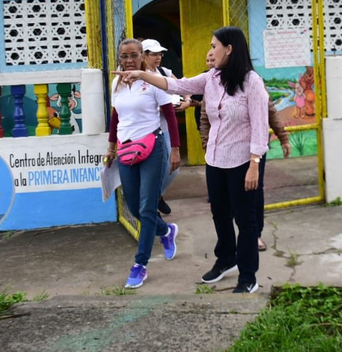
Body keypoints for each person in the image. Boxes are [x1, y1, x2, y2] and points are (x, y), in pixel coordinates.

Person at [114, 26, 268, 294]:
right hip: (216, 160)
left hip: (244, 161)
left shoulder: (251, 82)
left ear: (229, 49)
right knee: (220, 213)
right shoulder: (212, 78)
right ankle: (226, 259)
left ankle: (248, 276)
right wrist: (141, 74)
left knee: (245, 220)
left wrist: (255, 164)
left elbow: (260, 125)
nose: (210, 51)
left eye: (213, 46)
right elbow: (178, 85)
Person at [104, 38, 179, 289]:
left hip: (152, 147)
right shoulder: (116, 82)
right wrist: (111, 147)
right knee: (134, 207)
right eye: (124, 56)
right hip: (126, 149)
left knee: (147, 208)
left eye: (134, 55)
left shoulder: (153, 80)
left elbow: (170, 114)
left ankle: (140, 265)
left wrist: (175, 149)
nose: (129, 60)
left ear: (142, 57)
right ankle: (166, 231)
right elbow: (116, 117)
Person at [199, 71, 291, 252]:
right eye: (208, 60)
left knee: (253, 193)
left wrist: (283, 137)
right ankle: (228, 248)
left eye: (213, 58)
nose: (211, 63)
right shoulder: (212, 84)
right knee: (223, 202)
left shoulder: (252, 82)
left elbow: (269, 111)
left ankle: (254, 235)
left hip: (252, 150)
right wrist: (208, 146)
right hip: (223, 153)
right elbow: (204, 119)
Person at [141, 38, 181, 215]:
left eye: (160, 54)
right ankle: (151, 202)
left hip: (164, 127)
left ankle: (157, 195)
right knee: (151, 169)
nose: (158, 57)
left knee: (173, 169)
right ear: (143, 55)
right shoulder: (138, 75)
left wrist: (185, 101)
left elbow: (180, 88)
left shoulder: (164, 72)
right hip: (146, 130)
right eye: (153, 54)